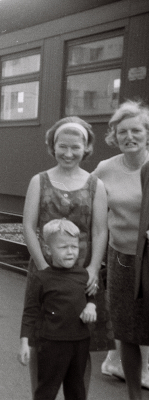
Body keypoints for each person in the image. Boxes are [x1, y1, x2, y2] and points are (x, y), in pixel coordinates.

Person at [22, 116, 113, 393]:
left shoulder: (95, 185)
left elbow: (99, 231)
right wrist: (42, 268)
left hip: (81, 276)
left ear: (86, 148)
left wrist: (93, 270)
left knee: (79, 344)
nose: (69, 153)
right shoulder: (39, 181)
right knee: (42, 339)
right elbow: (28, 225)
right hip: (44, 271)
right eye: (63, 146)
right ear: (53, 145)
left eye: (76, 147)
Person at [93, 100, 149, 400]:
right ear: (115, 135)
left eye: (136, 131)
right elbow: (88, 203)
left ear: (147, 134)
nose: (130, 136)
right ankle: (133, 394)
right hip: (120, 259)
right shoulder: (106, 169)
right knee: (126, 329)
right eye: (123, 131)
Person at [18, 219, 97, 400]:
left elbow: (90, 296)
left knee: (77, 389)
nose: (70, 252)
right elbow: (30, 312)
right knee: (47, 389)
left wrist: (91, 306)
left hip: (80, 342)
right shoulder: (42, 278)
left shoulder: (83, 275)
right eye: (63, 247)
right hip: (52, 344)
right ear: (48, 250)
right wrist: (24, 342)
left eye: (74, 247)